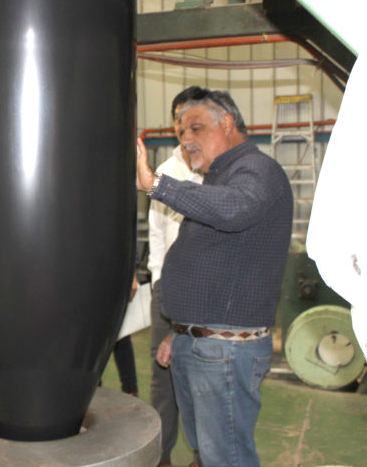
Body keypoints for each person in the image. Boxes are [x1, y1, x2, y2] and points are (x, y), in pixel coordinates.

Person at [137, 88, 292, 467]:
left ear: (227, 123)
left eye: (196, 128)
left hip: (225, 350)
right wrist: (183, 332)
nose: (186, 140)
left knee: (226, 458)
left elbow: (236, 210)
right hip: (203, 343)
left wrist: (157, 184)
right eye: (181, 133)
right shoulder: (220, 180)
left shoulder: (257, 171)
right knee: (209, 454)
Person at [147, 86, 204, 467]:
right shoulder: (164, 174)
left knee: (204, 378)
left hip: (205, 290)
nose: (186, 131)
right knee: (163, 380)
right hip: (166, 290)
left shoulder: (213, 171)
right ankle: (161, 456)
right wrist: (155, 279)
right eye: (179, 121)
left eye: (193, 122)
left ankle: (204, 456)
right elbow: (155, 231)